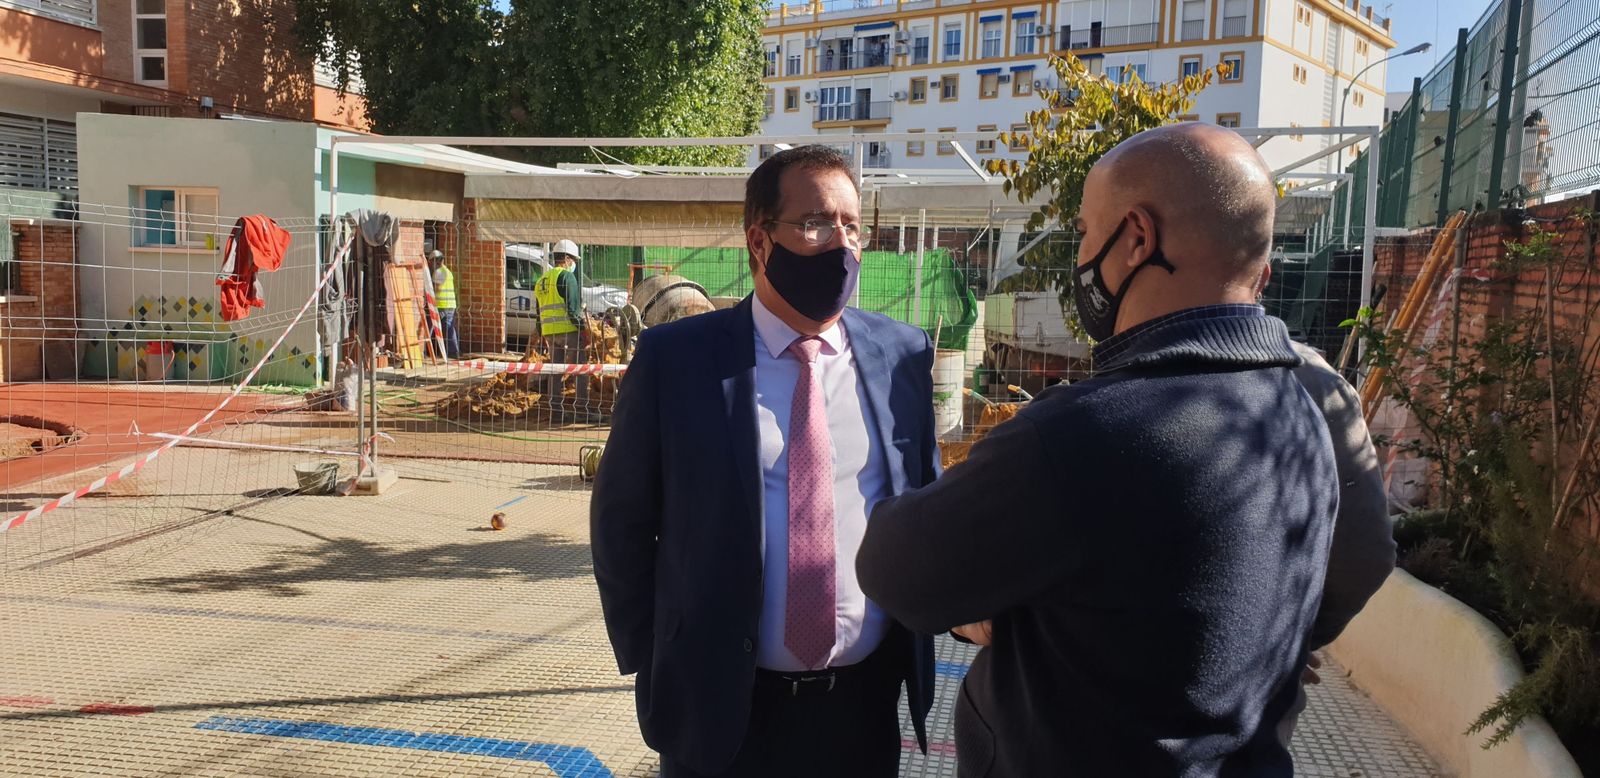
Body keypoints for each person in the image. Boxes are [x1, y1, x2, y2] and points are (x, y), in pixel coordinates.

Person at [856, 122, 1341, 777]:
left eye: (1085, 232)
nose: (1081, 254)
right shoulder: (1298, 415)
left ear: (1137, 238)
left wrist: (996, 614)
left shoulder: (1087, 434)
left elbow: (895, 569)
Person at [591, 145, 938, 777]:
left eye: (853, 225)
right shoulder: (677, 360)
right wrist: (653, 654)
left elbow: (924, 505)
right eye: (816, 223)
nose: (842, 244)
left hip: (863, 707)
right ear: (759, 240)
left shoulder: (902, 355)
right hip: (721, 711)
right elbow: (622, 520)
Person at [1279, 341, 1397, 743]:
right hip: (1254, 710)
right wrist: (1287, 643)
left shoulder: (1113, 383)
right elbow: (1363, 557)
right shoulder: (1311, 379)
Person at [536, 240, 590, 423]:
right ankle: (582, 410)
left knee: (555, 371)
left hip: (549, 333)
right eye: (573, 260)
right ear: (567, 259)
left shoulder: (542, 280)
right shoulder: (567, 277)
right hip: (568, 331)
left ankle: (556, 412)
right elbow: (573, 311)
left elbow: (538, 313)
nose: (574, 264)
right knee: (580, 369)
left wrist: (541, 333)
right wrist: (583, 331)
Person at [429, 249, 460, 359]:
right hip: (450, 305)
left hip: (441, 305)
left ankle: (423, 351)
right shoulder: (448, 272)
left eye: (431, 262)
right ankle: (454, 352)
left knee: (430, 327)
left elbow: (436, 289)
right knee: (449, 329)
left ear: (435, 261)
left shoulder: (438, 272)